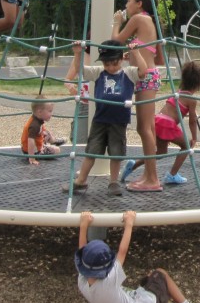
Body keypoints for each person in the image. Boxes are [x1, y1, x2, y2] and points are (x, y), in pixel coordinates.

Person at [75, 210, 200, 303]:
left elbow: (82, 251)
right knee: (160, 274)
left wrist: (83, 225)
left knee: (149, 279)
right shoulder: (109, 281)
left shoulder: (82, 281)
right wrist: (129, 223)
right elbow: (122, 252)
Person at [63, 39, 148, 195]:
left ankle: (113, 182)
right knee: (91, 151)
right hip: (100, 120)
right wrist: (77, 54)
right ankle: (81, 180)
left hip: (119, 121)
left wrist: (136, 52)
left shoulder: (128, 73)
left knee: (116, 153)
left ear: (122, 58)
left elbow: (143, 71)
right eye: (106, 64)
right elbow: (80, 70)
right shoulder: (99, 72)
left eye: (114, 64)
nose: (110, 67)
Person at [110, 0, 165, 191]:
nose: (126, 5)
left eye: (128, 0)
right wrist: (132, 55)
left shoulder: (138, 19)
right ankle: (149, 175)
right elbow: (157, 57)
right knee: (148, 128)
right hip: (150, 75)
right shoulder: (150, 21)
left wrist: (116, 22)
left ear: (139, 3)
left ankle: (153, 179)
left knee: (144, 128)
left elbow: (115, 41)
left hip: (145, 78)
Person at [122, 61, 200, 186]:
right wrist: (195, 137)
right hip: (167, 124)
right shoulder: (192, 99)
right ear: (198, 83)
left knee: (160, 153)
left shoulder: (178, 92)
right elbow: (192, 121)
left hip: (158, 120)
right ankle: (172, 175)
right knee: (187, 146)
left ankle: (133, 165)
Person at [21, 96, 63, 166]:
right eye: (49, 111)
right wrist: (32, 158)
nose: (51, 114)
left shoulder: (37, 120)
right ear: (40, 112)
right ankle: (43, 148)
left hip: (29, 148)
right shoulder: (34, 125)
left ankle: (53, 140)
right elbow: (30, 141)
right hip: (33, 152)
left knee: (46, 133)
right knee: (57, 150)